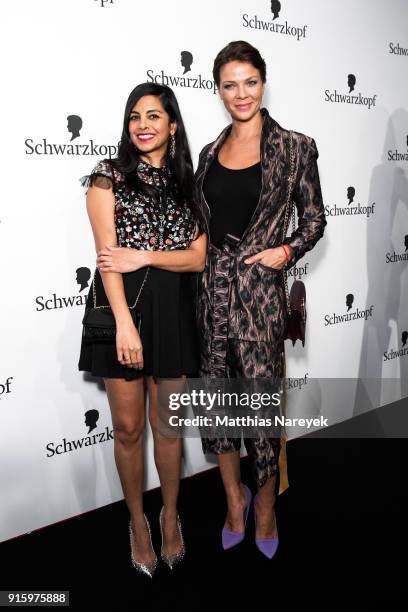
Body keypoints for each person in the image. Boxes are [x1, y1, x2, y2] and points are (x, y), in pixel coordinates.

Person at [194, 40, 326, 559]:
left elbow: (314, 220)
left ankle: (267, 508)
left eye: (249, 82)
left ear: (263, 83)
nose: (240, 93)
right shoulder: (208, 153)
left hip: (260, 304)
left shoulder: (295, 147)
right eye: (230, 85)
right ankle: (233, 501)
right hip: (209, 300)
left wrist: (286, 251)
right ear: (219, 91)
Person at [78, 82, 207, 577]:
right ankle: (137, 521)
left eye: (154, 116)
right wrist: (126, 329)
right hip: (122, 310)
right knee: (129, 429)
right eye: (135, 116)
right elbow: (108, 261)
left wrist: (148, 255)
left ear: (172, 126)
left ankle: (170, 515)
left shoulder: (187, 184)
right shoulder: (106, 179)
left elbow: (197, 258)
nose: (143, 125)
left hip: (173, 313)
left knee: (169, 429)